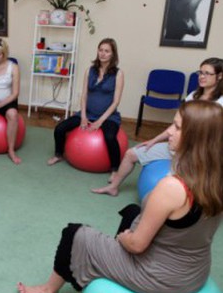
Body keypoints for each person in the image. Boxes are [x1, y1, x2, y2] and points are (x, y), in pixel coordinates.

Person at [18, 100, 223, 293]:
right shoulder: (215, 178)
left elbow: (137, 245)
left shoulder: (172, 187)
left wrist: (125, 238)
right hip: (194, 275)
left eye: (177, 127)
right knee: (132, 212)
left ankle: (48, 292)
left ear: (197, 138)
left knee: (74, 234)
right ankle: (110, 260)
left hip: (160, 279)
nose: (169, 131)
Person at [92, 57, 223, 196]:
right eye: (200, 72)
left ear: (220, 76)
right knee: (131, 153)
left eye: (207, 73)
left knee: (168, 182)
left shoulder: (220, 103)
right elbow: (176, 125)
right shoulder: (193, 96)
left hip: (195, 155)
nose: (202, 77)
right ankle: (113, 186)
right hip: (176, 146)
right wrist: (154, 140)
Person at [47, 38, 124, 176]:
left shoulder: (118, 74)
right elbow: (84, 96)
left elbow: (116, 102)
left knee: (110, 137)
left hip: (108, 117)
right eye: (101, 50)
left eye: (107, 51)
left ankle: (115, 169)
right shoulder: (90, 71)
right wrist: (83, 116)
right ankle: (58, 154)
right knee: (60, 128)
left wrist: (100, 121)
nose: (103, 54)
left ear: (113, 54)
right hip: (87, 113)